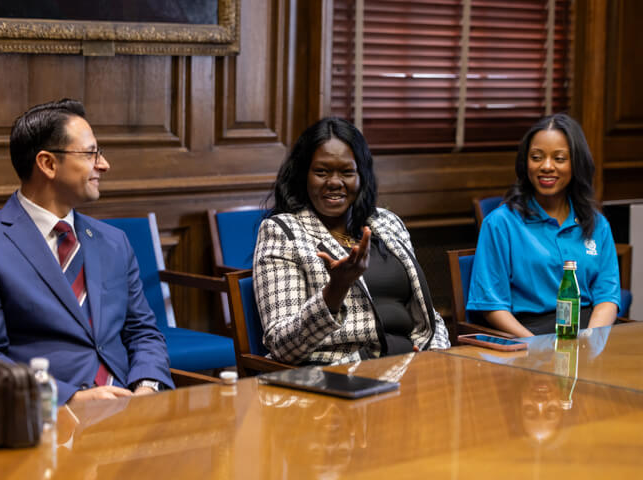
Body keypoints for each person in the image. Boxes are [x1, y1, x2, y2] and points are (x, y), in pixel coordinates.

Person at [0, 99, 174, 404]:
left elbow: (144, 332)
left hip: (130, 411)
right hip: (45, 423)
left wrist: (147, 387)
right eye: (91, 153)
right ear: (48, 164)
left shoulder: (114, 241)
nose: (103, 164)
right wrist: (70, 399)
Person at [253, 117, 450, 366]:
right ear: (303, 175)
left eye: (347, 172)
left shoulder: (387, 223)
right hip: (338, 373)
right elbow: (282, 346)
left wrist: (437, 357)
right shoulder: (283, 232)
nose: (335, 182)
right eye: (321, 172)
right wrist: (335, 290)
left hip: (409, 366)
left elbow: (427, 315)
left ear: (362, 176)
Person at [467, 113, 620, 337]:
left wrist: (591, 342)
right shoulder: (501, 223)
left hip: (588, 332)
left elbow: (607, 297)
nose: (546, 166)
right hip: (528, 335)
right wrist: (536, 347)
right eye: (537, 157)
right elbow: (491, 305)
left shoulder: (597, 224)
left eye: (559, 158)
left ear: (576, 163)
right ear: (525, 162)